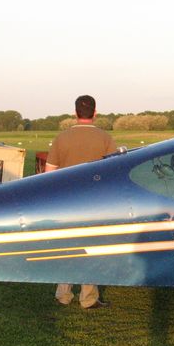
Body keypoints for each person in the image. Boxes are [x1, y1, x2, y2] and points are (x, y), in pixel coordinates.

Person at [45, 95, 117, 309]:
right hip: (95, 204)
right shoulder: (105, 138)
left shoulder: (61, 138)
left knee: (66, 248)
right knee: (91, 250)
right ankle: (88, 298)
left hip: (66, 204)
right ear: (95, 113)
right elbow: (113, 173)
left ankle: (63, 295)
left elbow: (49, 174)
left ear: (75, 113)